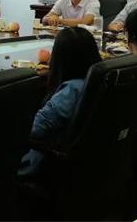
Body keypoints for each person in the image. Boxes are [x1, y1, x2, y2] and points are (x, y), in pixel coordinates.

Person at [20, 27, 101, 177]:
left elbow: (34, 130)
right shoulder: (97, 82)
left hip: (43, 162)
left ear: (61, 58)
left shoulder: (71, 91)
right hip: (87, 165)